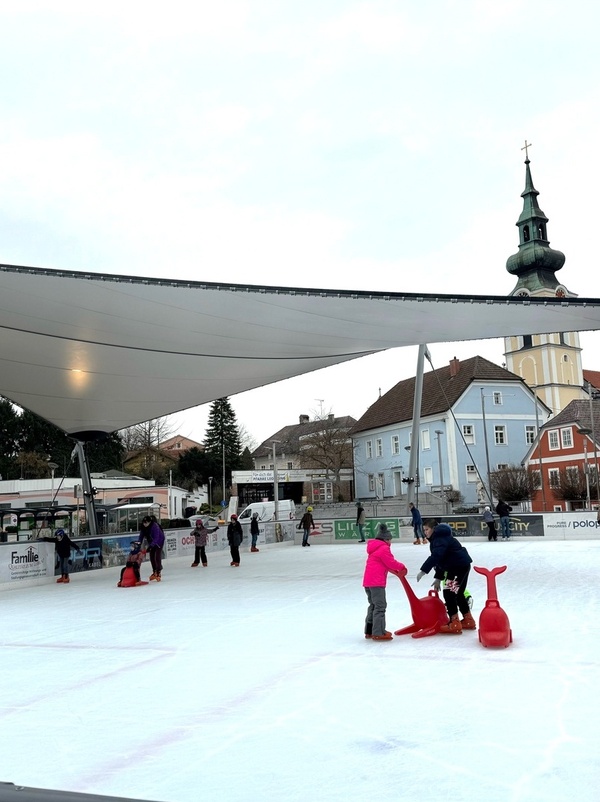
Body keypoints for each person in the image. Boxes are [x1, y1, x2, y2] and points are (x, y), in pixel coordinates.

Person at [417, 519, 475, 633]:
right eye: (424, 530)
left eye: (427, 529)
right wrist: (438, 578)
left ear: (434, 529)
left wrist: (424, 570)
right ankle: (468, 620)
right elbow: (441, 561)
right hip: (460, 566)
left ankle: (454, 623)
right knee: (458, 593)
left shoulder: (439, 539)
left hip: (457, 568)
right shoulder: (439, 538)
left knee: (449, 593)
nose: (425, 532)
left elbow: (436, 557)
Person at [362, 523, 407, 641]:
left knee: (373, 605)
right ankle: (378, 632)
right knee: (380, 606)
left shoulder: (374, 548)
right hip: (377, 583)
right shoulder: (383, 548)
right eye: (390, 540)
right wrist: (402, 567)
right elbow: (390, 562)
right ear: (386, 539)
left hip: (368, 582)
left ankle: (369, 631)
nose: (391, 543)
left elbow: (384, 564)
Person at [139, 514, 165, 581]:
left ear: (149, 522)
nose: (145, 524)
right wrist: (139, 543)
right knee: (151, 556)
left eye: (146, 523)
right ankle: (154, 571)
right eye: (144, 523)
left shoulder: (154, 526)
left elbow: (156, 537)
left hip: (159, 540)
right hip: (151, 541)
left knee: (157, 555)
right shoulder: (143, 527)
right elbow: (141, 536)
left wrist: (151, 546)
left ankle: (158, 571)